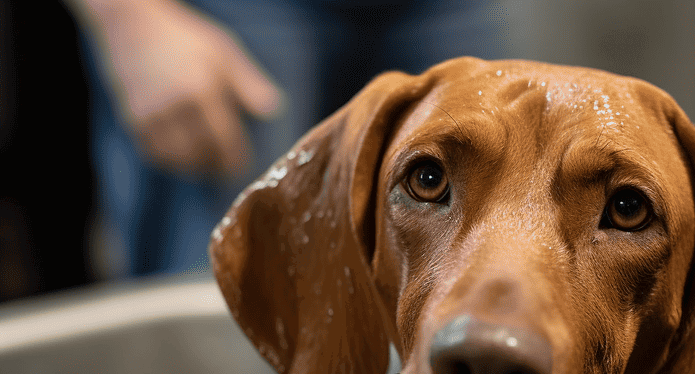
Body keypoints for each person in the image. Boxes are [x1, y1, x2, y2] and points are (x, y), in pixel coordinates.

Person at [66, 0, 510, 276]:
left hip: (445, 8)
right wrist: (129, 15)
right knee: (215, 301)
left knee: (476, 271)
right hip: (234, 14)